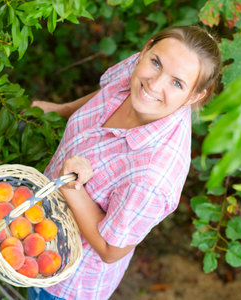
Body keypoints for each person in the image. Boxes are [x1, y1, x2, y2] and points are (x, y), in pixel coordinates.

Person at [28, 25, 221, 300]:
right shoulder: (141, 71)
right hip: (36, 220)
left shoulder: (154, 177)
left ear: (194, 96)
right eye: (155, 62)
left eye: (177, 83)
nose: (154, 85)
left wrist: (70, 185)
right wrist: (61, 110)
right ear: (146, 49)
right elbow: (108, 92)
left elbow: (110, 249)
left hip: (63, 278)